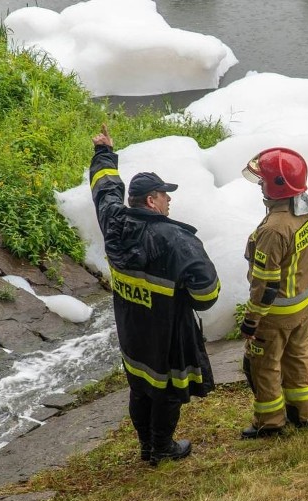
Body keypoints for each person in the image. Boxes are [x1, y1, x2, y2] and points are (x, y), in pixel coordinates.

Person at [90, 123, 221, 465]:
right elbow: (207, 293)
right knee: (167, 392)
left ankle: (146, 446)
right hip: (167, 335)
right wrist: (183, 297)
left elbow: (104, 190)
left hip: (131, 329)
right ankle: (162, 447)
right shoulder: (176, 240)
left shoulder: (113, 222)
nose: (169, 199)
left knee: (140, 387)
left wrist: (104, 151)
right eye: (165, 194)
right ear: (152, 200)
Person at [239, 147, 308, 439]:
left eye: (263, 180)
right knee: (298, 357)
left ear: (277, 186)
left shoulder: (274, 229)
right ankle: (302, 414)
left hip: (275, 313)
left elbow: (266, 284)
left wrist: (251, 320)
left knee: (263, 366)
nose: (260, 184)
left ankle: (270, 422)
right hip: (302, 305)